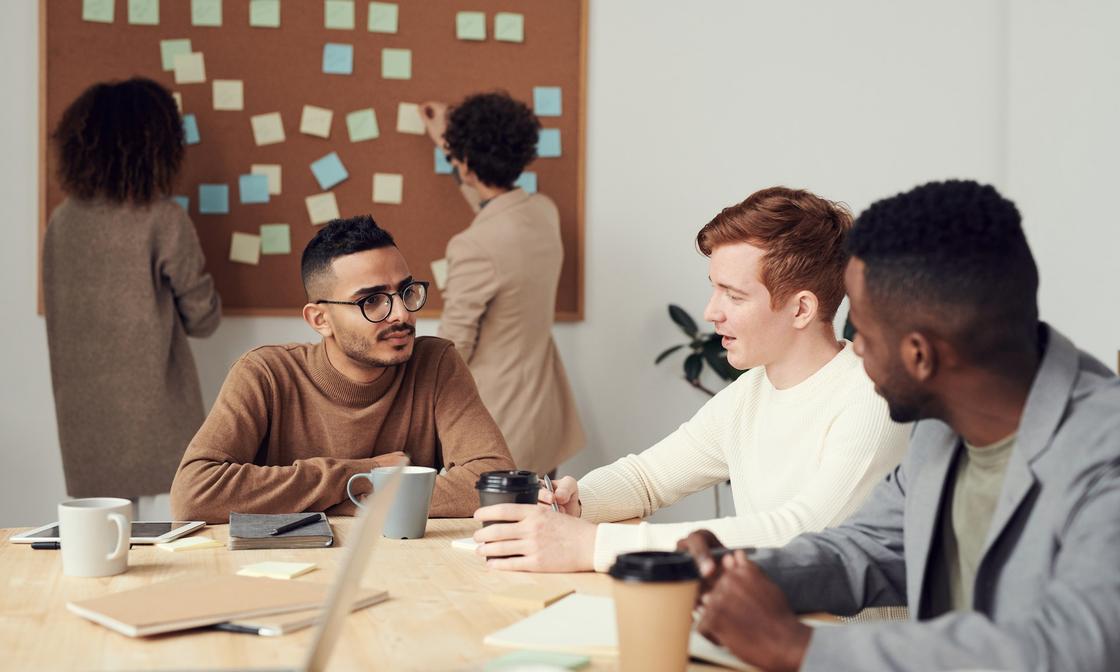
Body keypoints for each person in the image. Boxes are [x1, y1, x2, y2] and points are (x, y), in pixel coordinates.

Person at [681, 180, 1120, 672]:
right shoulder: (943, 427)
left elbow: (1077, 648)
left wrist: (798, 648)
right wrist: (739, 572)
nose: (857, 349)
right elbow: (869, 547)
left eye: (863, 332)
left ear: (919, 355)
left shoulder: (1107, 454)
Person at [472, 187, 911, 572]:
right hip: (761, 632)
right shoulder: (751, 392)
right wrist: (578, 500)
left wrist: (595, 546)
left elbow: (801, 537)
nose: (711, 312)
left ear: (801, 309)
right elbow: (648, 479)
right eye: (714, 288)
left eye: (734, 296)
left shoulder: (871, 399)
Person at [170, 215, 515, 523]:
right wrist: (365, 473)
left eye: (406, 291)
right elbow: (194, 493)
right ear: (320, 319)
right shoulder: (265, 374)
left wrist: (343, 500)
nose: (402, 314)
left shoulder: (436, 364)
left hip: (406, 566)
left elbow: (494, 480)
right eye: (372, 300)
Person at [43, 77, 220, 508]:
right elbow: (204, 319)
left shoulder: (62, 221)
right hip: (157, 413)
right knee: (175, 535)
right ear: (158, 146)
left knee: (105, 537)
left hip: (84, 411)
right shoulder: (163, 219)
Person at [419, 92, 585, 475]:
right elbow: (493, 207)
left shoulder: (473, 245)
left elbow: (454, 346)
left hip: (499, 421)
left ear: (467, 166)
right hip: (543, 415)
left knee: (493, 532)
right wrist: (453, 145)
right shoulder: (543, 212)